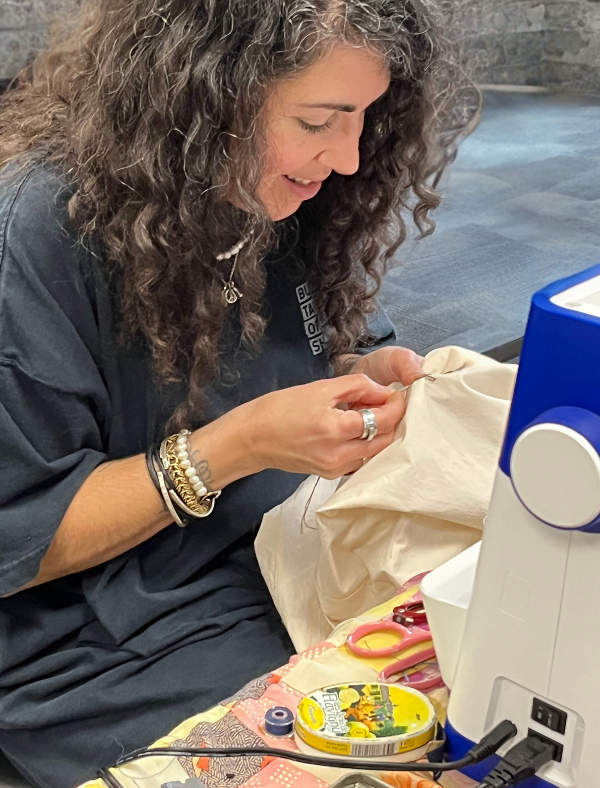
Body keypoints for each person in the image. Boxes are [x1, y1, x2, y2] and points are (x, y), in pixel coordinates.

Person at [0, 0, 476, 785]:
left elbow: (331, 339)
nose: (350, 158)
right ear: (204, 96)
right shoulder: (39, 234)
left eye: (364, 118)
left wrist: (355, 375)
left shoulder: (271, 189)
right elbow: (19, 536)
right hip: (100, 637)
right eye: (322, 120)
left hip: (271, 550)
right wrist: (237, 447)